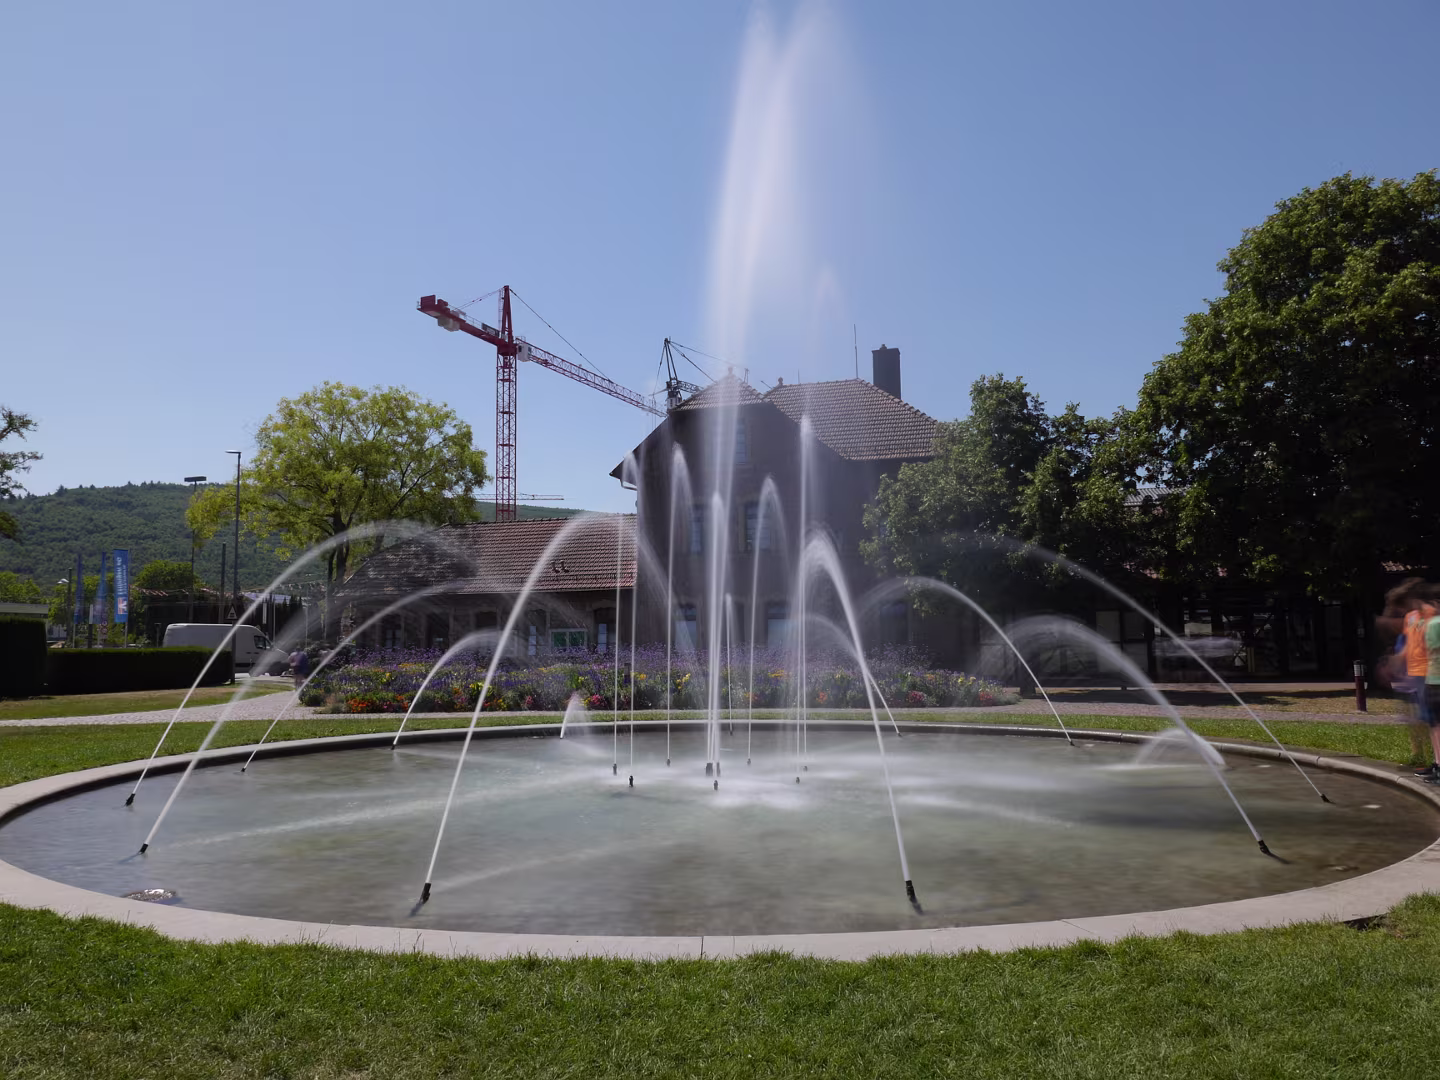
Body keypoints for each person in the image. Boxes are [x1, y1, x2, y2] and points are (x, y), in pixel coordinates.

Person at [1400, 592, 1436, 776]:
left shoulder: (1433, 616)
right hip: (1415, 672)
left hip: (1430, 672)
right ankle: (1435, 762)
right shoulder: (1410, 617)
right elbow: (1409, 644)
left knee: (1433, 719)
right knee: (1429, 720)